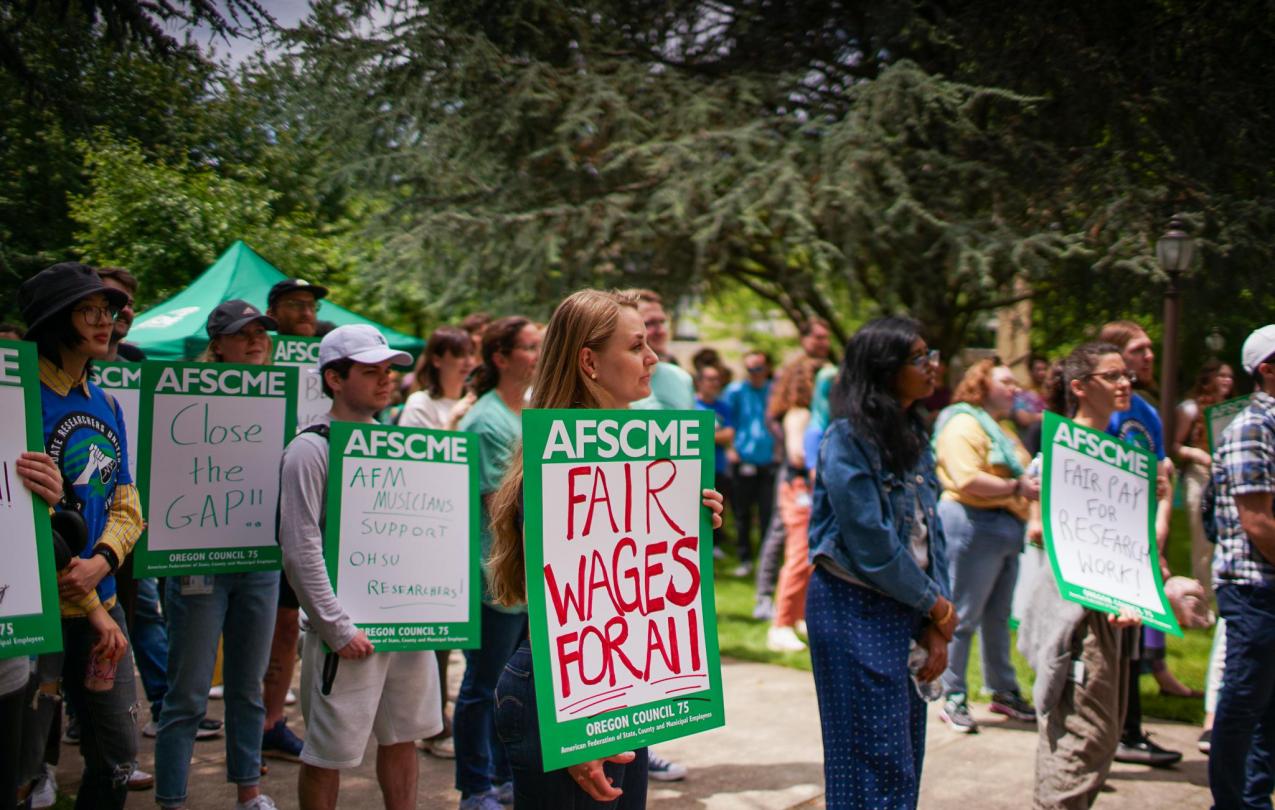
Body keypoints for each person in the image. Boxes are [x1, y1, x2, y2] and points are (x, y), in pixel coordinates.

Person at [484, 289, 724, 809]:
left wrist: (690, 523)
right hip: (564, 699)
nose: (654, 357)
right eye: (636, 347)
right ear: (589, 361)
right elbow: (559, 607)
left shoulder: (644, 455)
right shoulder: (558, 467)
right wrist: (576, 731)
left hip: (619, 695)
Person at [279, 324, 442, 810]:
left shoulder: (391, 444)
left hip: (405, 624)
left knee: (404, 737)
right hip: (345, 635)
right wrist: (334, 625)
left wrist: (433, 610)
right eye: (371, 371)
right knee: (328, 753)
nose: (386, 379)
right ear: (334, 377)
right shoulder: (310, 449)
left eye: (388, 370)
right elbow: (299, 546)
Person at [805, 316, 955, 809]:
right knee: (870, 758)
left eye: (930, 355)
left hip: (907, 607)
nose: (933, 366)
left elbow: (930, 533)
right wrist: (933, 604)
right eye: (919, 358)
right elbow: (870, 541)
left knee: (902, 757)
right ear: (884, 369)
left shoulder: (915, 433)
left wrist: (937, 621)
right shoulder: (846, 439)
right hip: (853, 606)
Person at [16, 262, 143, 810]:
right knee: (20, 766)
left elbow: (128, 503)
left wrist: (103, 561)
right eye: (90, 310)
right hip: (34, 616)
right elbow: (24, 523)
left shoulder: (107, 402)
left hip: (101, 606)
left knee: (118, 756)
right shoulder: (16, 399)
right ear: (54, 319)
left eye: (108, 311)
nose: (107, 322)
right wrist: (90, 596)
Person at [153, 301, 282, 810]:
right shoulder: (180, 394)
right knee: (186, 695)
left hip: (259, 563)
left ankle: (249, 791)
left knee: (247, 687)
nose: (256, 341)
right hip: (196, 563)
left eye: (261, 333)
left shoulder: (281, 401)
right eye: (243, 333)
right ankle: (171, 798)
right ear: (217, 344)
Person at [1018, 342, 1144, 810]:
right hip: (1077, 617)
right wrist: (1113, 590)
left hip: (1115, 616)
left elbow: (1134, 545)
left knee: (1103, 739)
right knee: (1079, 738)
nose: (1124, 383)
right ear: (1079, 387)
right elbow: (1044, 533)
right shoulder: (1060, 455)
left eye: (1125, 374)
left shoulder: (1121, 455)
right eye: (1112, 376)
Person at [454, 316, 541, 809]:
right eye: (529, 348)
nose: (537, 355)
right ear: (500, 358)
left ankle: (507, 778)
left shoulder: (529, 412)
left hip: (525, 574)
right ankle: (474, 787)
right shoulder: (486, 420)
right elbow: (498, 502)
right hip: (493, 574)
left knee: (515, 683)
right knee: (482, 685)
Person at [932, 358, 1038, 734]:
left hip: (1005, 528)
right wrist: (1016, 488)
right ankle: (951, 694)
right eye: (1005, 382)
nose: (1015, 389)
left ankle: (1002, 689)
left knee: (997, 617)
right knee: (960, 615)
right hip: (971, 524)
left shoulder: (1000, 429)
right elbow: (965, 477)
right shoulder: (963, 423)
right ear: (980, 385)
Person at [1099, 321, 1184, 767]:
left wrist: (1157, 548)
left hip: (1142, 546)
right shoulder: (1099, 413)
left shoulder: (1148, 413)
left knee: (1131, 646)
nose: (1149, 357)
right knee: (1101, 649)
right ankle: (1104, 735)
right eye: (1138, 350)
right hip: (1102, 545)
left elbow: (1160, 486)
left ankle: (1128, 730)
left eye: (1151, 349)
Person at [398, 324, 477, 760]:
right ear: (438, 358)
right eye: (459, 353)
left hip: (468, 528)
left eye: (471, 354)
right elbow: (419, 459)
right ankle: (431, 724)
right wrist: (457, 418)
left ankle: (447, 722)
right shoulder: (420, 404)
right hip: (433, 529)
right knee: (434, 636)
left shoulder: (476, 401)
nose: (467, 362)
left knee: (459, 636)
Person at [260, 277, 331, 762]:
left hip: (309, 502)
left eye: (311, 305)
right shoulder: (259, 358)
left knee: (287, 623)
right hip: (248, 501)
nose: (306, 312)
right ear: (275, 311)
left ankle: (270, 722)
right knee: (253, 622)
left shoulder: (330, 363)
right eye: (295, 305)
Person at [1207, 324, 1275, 809]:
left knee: (1272, 712)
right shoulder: (1253, 428)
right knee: (1244, 702)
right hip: (1254, 589)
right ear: (1267, 370)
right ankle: (1231, 803)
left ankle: (1254, 800)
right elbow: (1258, 523)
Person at [767, 356, 821, 653]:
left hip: (806, 491)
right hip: (798, 489)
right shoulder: (799, 413)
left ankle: (799, 616)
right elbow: (797, 454)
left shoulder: (808, 413)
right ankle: (781, 624)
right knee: (798, 557)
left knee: (809, 559)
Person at [1172, 358, 1236, 600]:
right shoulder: (1190, 409)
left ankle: (1221, 597)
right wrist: (1198, 454)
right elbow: (1174, 445)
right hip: (1199, 476)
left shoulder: (1234, 410)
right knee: (1202, 541)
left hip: (1226, 478)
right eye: (1221, 375)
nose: (1227, 381)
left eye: (1230, 376)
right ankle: (1202, 601)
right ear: (1208, 379)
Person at [722, 350, 776, 583]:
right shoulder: (735, 391)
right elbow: (726, 421)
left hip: (768, 460)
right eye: (750, 369)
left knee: (767, 514)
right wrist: (731, 449)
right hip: (743, 459)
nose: (754, 374)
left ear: (766, 368)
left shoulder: (774, 390)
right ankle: (745, 559)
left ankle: (766, 562)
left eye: (758, 368)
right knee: (743, 513)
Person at [628, 289, 695, 410]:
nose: (661, 331)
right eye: (649, 323)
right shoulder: (610, 383)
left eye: (662, 322)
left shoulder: (682, 378)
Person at [695, 362, 735, 557]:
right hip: (696, 468)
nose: (714, 383)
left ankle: (715, 544)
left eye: (717, 379)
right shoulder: (690, 405)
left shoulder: (723, 407)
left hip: (718, 466)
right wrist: (711, 434)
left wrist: (705, 434)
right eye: (710, 379)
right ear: (700, 382)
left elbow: (729, 435)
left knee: (717, 507)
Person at [1012, 354, 1051, 455]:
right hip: (1029, 446)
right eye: (1038, 369)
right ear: (1030, 371)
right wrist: (1047, 416)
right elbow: (1023, 418)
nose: (1042, 373)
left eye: (1044, 369)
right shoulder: (1022, 394)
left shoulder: (1051, 395)